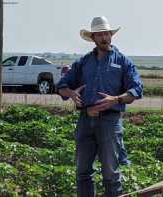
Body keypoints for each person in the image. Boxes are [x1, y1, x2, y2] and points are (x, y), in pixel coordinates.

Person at [56, 16, 143, 197]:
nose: (104, 38)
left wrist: (116, 99)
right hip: (86, 120)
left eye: (107, 34)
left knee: (111, 174)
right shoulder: (83, 63)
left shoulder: (123, 62)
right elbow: (62, 86)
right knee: (83, 172)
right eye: (100, 35)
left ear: (111, 35)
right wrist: (71, 94)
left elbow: (136, 89)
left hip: (110, 122)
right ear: (93, 38)